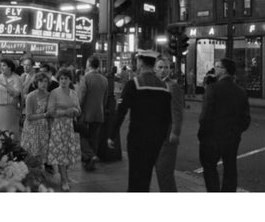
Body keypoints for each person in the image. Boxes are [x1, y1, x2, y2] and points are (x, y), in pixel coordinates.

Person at [107, 50, 171, 192]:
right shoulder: (164, 87)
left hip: (137, 138)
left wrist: (112, 135)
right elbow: (167, 117)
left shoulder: (134, 84)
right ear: (154, 64)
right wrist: (163, 137)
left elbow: (121, 111)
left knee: (135, 175)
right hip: (156, 140)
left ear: (141, 63)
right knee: (146, 173)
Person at [198, 58, 251, 192]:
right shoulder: (241, 91)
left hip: (212, 136)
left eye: (217, 66)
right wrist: (236, 130)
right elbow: (246, 119)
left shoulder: (212, 88)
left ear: (224, 70)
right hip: (232, 136)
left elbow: (205, 116)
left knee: (209, 168)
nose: (215, 69)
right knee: (230, 168)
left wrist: (202, 134)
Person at [47, 69, 82, 191]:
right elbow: (50, 112)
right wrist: (65, 112)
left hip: (69, 126)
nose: (63, 81)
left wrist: (76, 112)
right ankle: (64, 180)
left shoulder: (73, 93)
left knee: (68, 153)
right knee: (61, 154)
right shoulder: (54, 93)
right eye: (61, 78)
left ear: (70, 80)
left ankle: (64, 175)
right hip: (57, 126)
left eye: (66, 78)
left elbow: (78, 109)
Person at [153, 56, 184, 192]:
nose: (163, 70)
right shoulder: (153, 84)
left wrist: (175, 132)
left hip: (167, 135)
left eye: (166, 67)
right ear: (154, 69)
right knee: (159, 171)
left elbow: (177, 111)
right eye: (160, 67)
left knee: (164, 171)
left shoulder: (173, 86)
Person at [76, 55, 108, 171]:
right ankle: (90, 162)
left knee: (83, 137)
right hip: (99, 114)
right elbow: (105, 99)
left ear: (89, 65)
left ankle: (90, 156)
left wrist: (77, 111)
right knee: (94, 139)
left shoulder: (85, 78)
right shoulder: (104, 79)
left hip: (86, 114)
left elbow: (81, 97)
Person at [20, 72, 51, 164]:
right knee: (32, 153)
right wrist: (44, 115)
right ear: (36, 83)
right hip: (32, 127)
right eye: (40, 81)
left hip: (44, 127)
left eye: (45, 81)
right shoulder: (31, 96)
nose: (43, 84)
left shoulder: (49, 95)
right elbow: (29, 116)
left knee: (43, 152)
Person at [0, 58, 23, 140]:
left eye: (4, 65)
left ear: (10, 67)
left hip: (10, 108)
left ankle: (12, 150)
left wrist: (6, 85)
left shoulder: (17, 78)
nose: (1, 67)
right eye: (0, 66)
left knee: (10, 132)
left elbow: (16, 94)